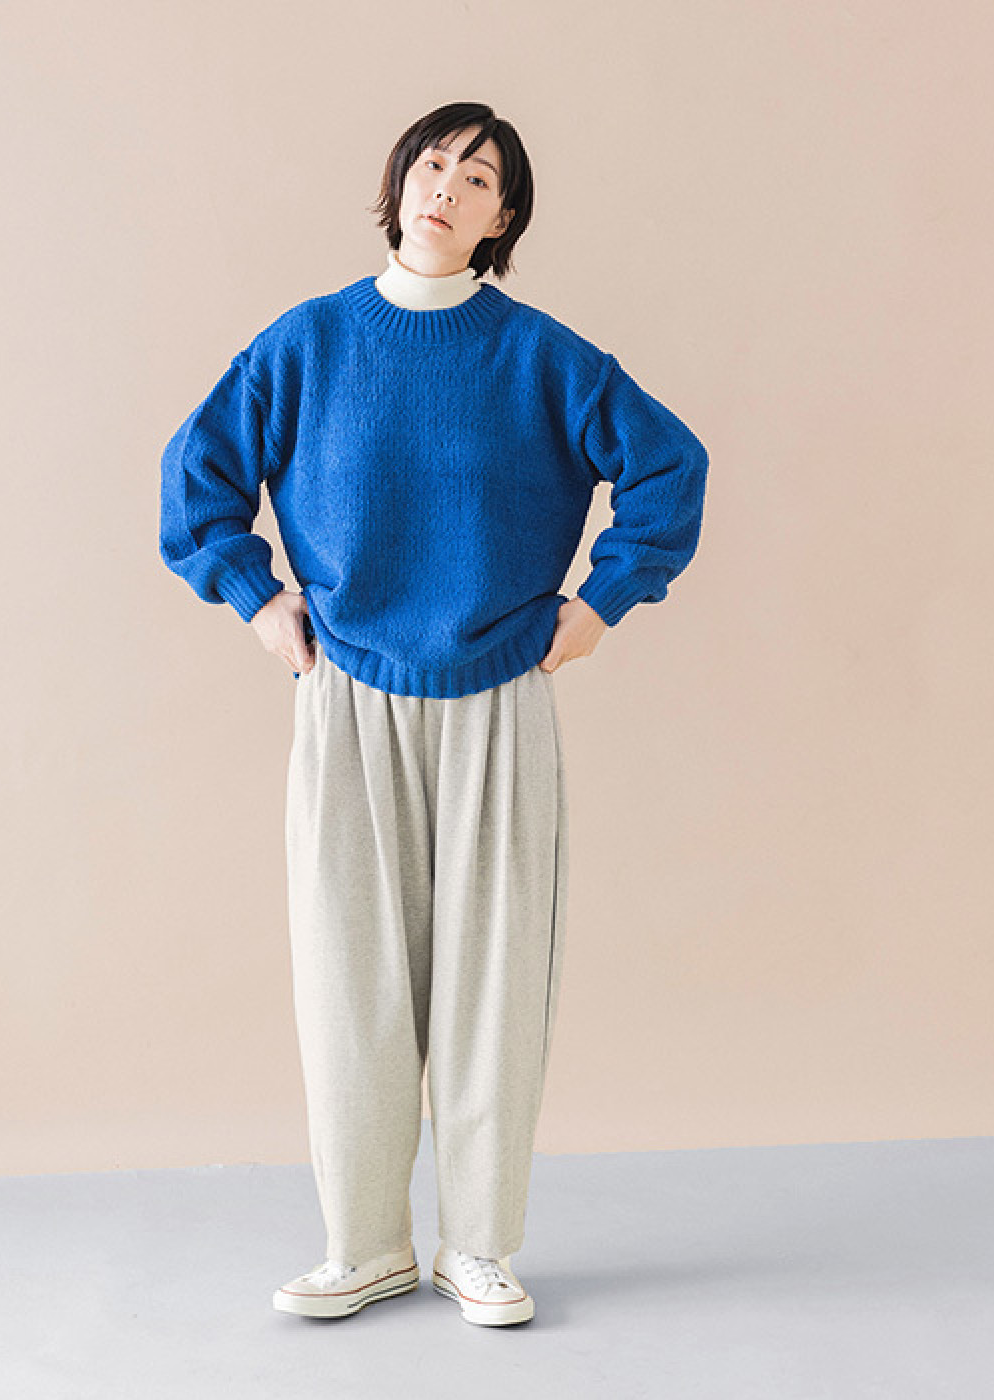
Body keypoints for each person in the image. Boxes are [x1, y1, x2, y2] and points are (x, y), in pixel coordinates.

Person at [159, 101, 709, 1327]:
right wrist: (256, 598)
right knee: (347, 976)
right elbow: (195, 478)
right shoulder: (308, 343)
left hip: (498, 695)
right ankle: (363, 1244)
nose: (448, 186)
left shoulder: (541, 356)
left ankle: (478, 1244)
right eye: (434, 162)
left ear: (503, 217)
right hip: (347, 695)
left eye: (480, 176)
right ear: (399, 181)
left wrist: (602, 602)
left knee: (494, 981)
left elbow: (671, 468)